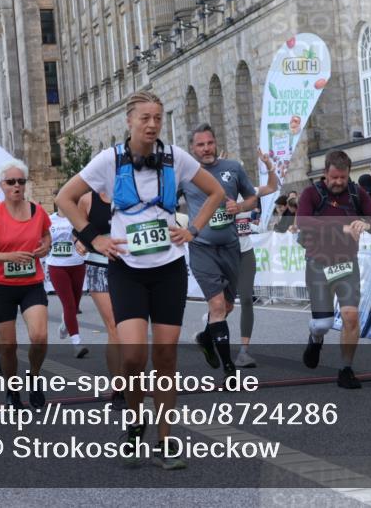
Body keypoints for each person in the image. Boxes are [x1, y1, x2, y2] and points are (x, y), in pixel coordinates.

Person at [55, 90, 224, 470]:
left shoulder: (175, 158)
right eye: (144, 118)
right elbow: (65, 197)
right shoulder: (109, 161)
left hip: (168, 269)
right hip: (127, 270)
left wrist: (193, 229)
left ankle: (166, 440)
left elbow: (216, 192)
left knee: (165, 356)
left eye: (157, 118)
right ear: (129, 121)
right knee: (133, 357)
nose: (152, 125)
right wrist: (92, 237)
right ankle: (134, 421)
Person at [296, 150, 371, 389]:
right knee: (323, 324)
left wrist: (366, 222)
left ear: (348, 174)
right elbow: (302, 222)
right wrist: (343, 227)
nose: (338, 182)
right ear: (325, 174)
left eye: (342, 178)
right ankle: (315, 339)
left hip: (346, 263)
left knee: (351, 316)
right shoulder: (311, 194)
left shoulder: (357, 193)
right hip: (318, 262)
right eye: (333, 177)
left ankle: (346, 369)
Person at [182, 124, 259, 379]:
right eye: (200, 145)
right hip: (202, 248)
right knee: (216, 305)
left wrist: (240, 206)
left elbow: (252, 198)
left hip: (230, 247)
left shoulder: (232, 168)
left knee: (227, 306)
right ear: (192, 148)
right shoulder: (186, 174)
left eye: (209, 143)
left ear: (215, 143)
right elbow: (164, 202)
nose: (206, 149)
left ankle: (206, 337)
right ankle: (229, 369)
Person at [0, 160, 53, 409]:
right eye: (11, 182)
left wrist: (46, 245)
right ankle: (12, 390)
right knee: (9, 346)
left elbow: (47, 236)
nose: (16, 186)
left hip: (31, 283)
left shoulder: (37, 211)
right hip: (1, 285)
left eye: (20, 182)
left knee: (40, 336)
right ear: (2, 186)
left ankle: (34, 377)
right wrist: (8, 257)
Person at [75, 190, 124, 409]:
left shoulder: (130, 192)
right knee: (114, 327)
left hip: (130, 267)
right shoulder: (87, 199)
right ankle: (119, 388)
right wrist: (79, 242)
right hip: (98, 267)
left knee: (130, 327)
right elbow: (78, 230)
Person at [234, 150, 279, 369]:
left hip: (245, 252)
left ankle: (244, 352)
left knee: (245, 300)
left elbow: (272, 187)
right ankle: (208, 334)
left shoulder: (248, 191)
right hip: (223, 253)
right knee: (222, 305)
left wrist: (268, 164)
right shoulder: (217, 193)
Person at [47, 203, 88, 358]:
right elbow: (44, 239)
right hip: (57, 266)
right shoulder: (49, 220)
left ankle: (66, 324)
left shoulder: (77, 219)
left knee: (75, 305)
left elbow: (85, 236)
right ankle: (77, 343)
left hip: (77, 264)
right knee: (69, 304)